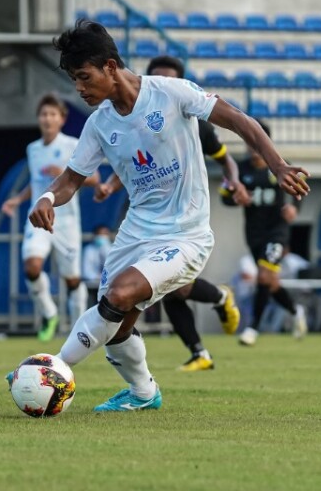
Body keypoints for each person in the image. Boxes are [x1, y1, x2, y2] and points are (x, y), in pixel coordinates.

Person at [27, 20, 309, 412]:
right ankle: (144, 393)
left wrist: (278, 166)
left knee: (118, 295)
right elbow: (71, 179)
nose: (79, 88)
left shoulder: (171, 93)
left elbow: (241, 121)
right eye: (75, 79)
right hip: (136, 233)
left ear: (110, 66)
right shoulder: (99, 124)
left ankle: (52, 370)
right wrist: (45, 197)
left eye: (83, 77)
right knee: (118, 326)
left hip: (186, 233)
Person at [95, 54, 246, 371]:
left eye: (171, 77)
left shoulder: (190, 115)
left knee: (171, 288)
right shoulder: (131, 114)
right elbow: (132, 161)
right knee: (164, 289)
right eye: (160, 76)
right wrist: (110, 185)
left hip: (184, 216)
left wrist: (234, 181)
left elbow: (224, 158)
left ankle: (205, 334)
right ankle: (205, 335)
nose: (166, 82)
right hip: (143, 212)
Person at [0, 94, 98, 341]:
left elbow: (94, 179)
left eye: (53, 114)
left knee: (72, 279)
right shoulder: (32, 149)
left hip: (66, 221)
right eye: (44, 114)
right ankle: (49, 313)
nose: (47, 119)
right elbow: (35, 183)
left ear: (62, 119)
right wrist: (18, 199)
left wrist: (64, 174)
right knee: (31, 266)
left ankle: (78, 328)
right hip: (39, 217)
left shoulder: (71, 145)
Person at [226, 119, 309, 346]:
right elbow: (226, 196)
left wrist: (294, 207)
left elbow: (298, 192)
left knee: (263, 276)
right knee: (270, 282)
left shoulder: (281, 166)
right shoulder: (240, 170)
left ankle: (252, 328)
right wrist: (235, 198)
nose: (251, 149)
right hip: (254, 234)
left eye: (256, 144)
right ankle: (296, 311)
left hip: (277, 232)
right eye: (248, 144)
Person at [81, 226, 114, 300]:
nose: (102, 237)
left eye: (104, 234)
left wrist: (104, 249)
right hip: (92, 285)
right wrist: (98, 277)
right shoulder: (88, 250)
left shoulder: (113, 249)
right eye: (100, 234)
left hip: (110, 285)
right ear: (95, 235)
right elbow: (86, 271)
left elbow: (113, 267)